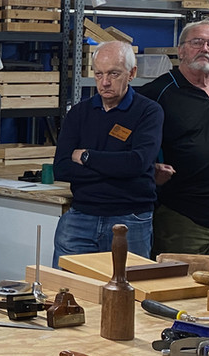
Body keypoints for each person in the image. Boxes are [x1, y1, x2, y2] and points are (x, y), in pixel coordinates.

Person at [138, 20, 209, 257]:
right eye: (197, 42)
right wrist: (149, 168)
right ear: (181, 50)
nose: (205, 49)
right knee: (179, 285)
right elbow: (129, 140)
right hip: (185, 216)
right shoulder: (157, 92)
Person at [51, 41, 163, 267]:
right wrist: (117, 169)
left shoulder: (148, 112)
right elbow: (61, 167)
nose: (105, 82)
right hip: (80, 218)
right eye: (99, 74)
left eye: (114, 74)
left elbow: (137, 163)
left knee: (127, 294)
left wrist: (86, 157)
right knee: (65, 291)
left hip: (130, 221)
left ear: (132, 73)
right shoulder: (79, 113)